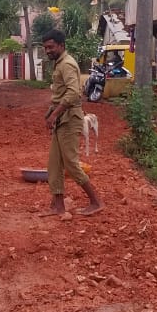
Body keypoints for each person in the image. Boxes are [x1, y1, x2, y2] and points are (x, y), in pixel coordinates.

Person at [42, 29, 102, 217]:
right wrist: (51, 113)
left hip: (69, 119)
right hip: (62, 119)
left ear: (61, 45)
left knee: (70, 164)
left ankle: (96, 202)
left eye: (51, 47)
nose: (48, 51)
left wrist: (54, 114)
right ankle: (58, 206)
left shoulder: (67, 64)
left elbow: (73, 93)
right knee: (54, 164)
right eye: (45, 48)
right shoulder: (60, 63)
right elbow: (61, 94)